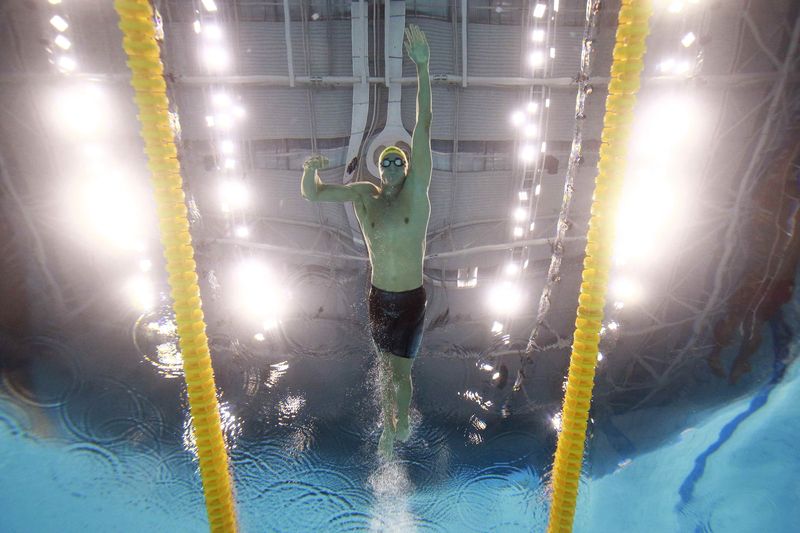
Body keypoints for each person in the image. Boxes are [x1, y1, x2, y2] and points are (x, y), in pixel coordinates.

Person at [301, 25, 431, 458]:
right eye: (386, 160)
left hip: (410, 298)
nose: (392, 163)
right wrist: (310, 169)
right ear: (379, 168)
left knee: (402, 374)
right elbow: (314, 194)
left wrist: (423, 68)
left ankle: (401, 427)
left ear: (408, 166)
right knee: (382, 371)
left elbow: (424, 125)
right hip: (378, 296)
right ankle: (386, 431)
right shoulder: (364, 195)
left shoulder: (417, 192)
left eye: (399, 159)